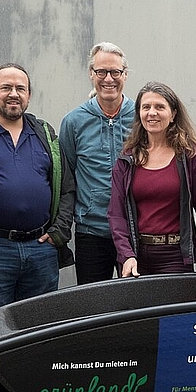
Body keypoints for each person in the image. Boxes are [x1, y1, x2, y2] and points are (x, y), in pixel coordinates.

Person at [108, 82, 196, 392]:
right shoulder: (127, 159)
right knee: (144, 342)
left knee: (182, 344)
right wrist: (125, 255)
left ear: (173, 113)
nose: (152, 113)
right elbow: (115, 215)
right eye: (146, 107)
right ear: (138, 114)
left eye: (160, 106)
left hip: (179, 260)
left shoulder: (190, 157)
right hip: (140, 263)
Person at [0, 63, 75, 318]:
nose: (14, 94)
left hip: (41, 251)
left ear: (29, 95)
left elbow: (67, 189)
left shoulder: (44, 133)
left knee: (38, 331)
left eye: (20, 88)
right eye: (6, 87)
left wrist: (59, 233)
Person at [59, 42, 136, 284]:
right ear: (92, 74)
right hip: (92, 232)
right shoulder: (73, 121)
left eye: (115, 72)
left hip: (136, 229)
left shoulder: (142, 117)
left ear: (125, 74)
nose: (108, 79)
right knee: (93, 309)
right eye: (101, 72)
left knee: (139, 304)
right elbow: (67, 176)